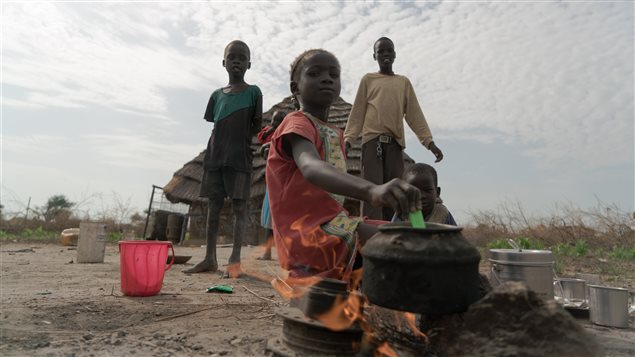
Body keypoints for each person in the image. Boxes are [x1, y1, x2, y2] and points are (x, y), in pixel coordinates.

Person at [265, 49, 421, 285]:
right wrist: (371, 190)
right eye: (314, 73)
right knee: (396, 243)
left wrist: (419, 222)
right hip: (308, 232)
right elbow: (311, 167)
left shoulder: (337, 133)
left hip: (335, 223)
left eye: (333, 74)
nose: (326, 78)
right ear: (295, 87)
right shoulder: (296, 122)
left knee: (410, 235)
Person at [184, 40, 262, 278]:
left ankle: (235, 260)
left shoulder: (253, 92)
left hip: (239, 157)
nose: (237, 61)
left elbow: (255, 126)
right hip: (215, 155)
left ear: (249, 64)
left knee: (240, 208)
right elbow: (214, 125)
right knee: (213, 208)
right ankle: (209, 258)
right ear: (223, 62)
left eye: (242, 57)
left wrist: (240, 145)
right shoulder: (216, 95)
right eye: (232, 57)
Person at [344, 36, 444, 221]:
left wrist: (429, 142)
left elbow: (415, 114)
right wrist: (349, 140)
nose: (385, 54)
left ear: (395, 54)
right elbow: (357, 112)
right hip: (372, 143)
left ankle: (401, 234)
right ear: (374, 56)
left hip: (395, 145)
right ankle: (370, 242)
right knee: (372, 192)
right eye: (380, 51)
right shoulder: (368, 79)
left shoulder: (403, 82)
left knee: (398, 192)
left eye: (389, 50)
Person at [256, 110, 287, 260]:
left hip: (283, 183)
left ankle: (284, 254)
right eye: (273, 121)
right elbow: (260, 139)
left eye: (276, 121)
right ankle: (267, 252)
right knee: (270, 220)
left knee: (281, 220)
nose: (273, 124)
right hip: (272, 180)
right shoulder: (271, 134)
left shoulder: (287, 136)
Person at [392, 163, 457, 226]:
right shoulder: (402, 213)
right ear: (404, 193)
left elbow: (456, 236)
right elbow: (391, 235)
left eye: (427, 190)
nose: (421, 196)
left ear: (437, 192)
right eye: (414, 191)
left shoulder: (442, 212)